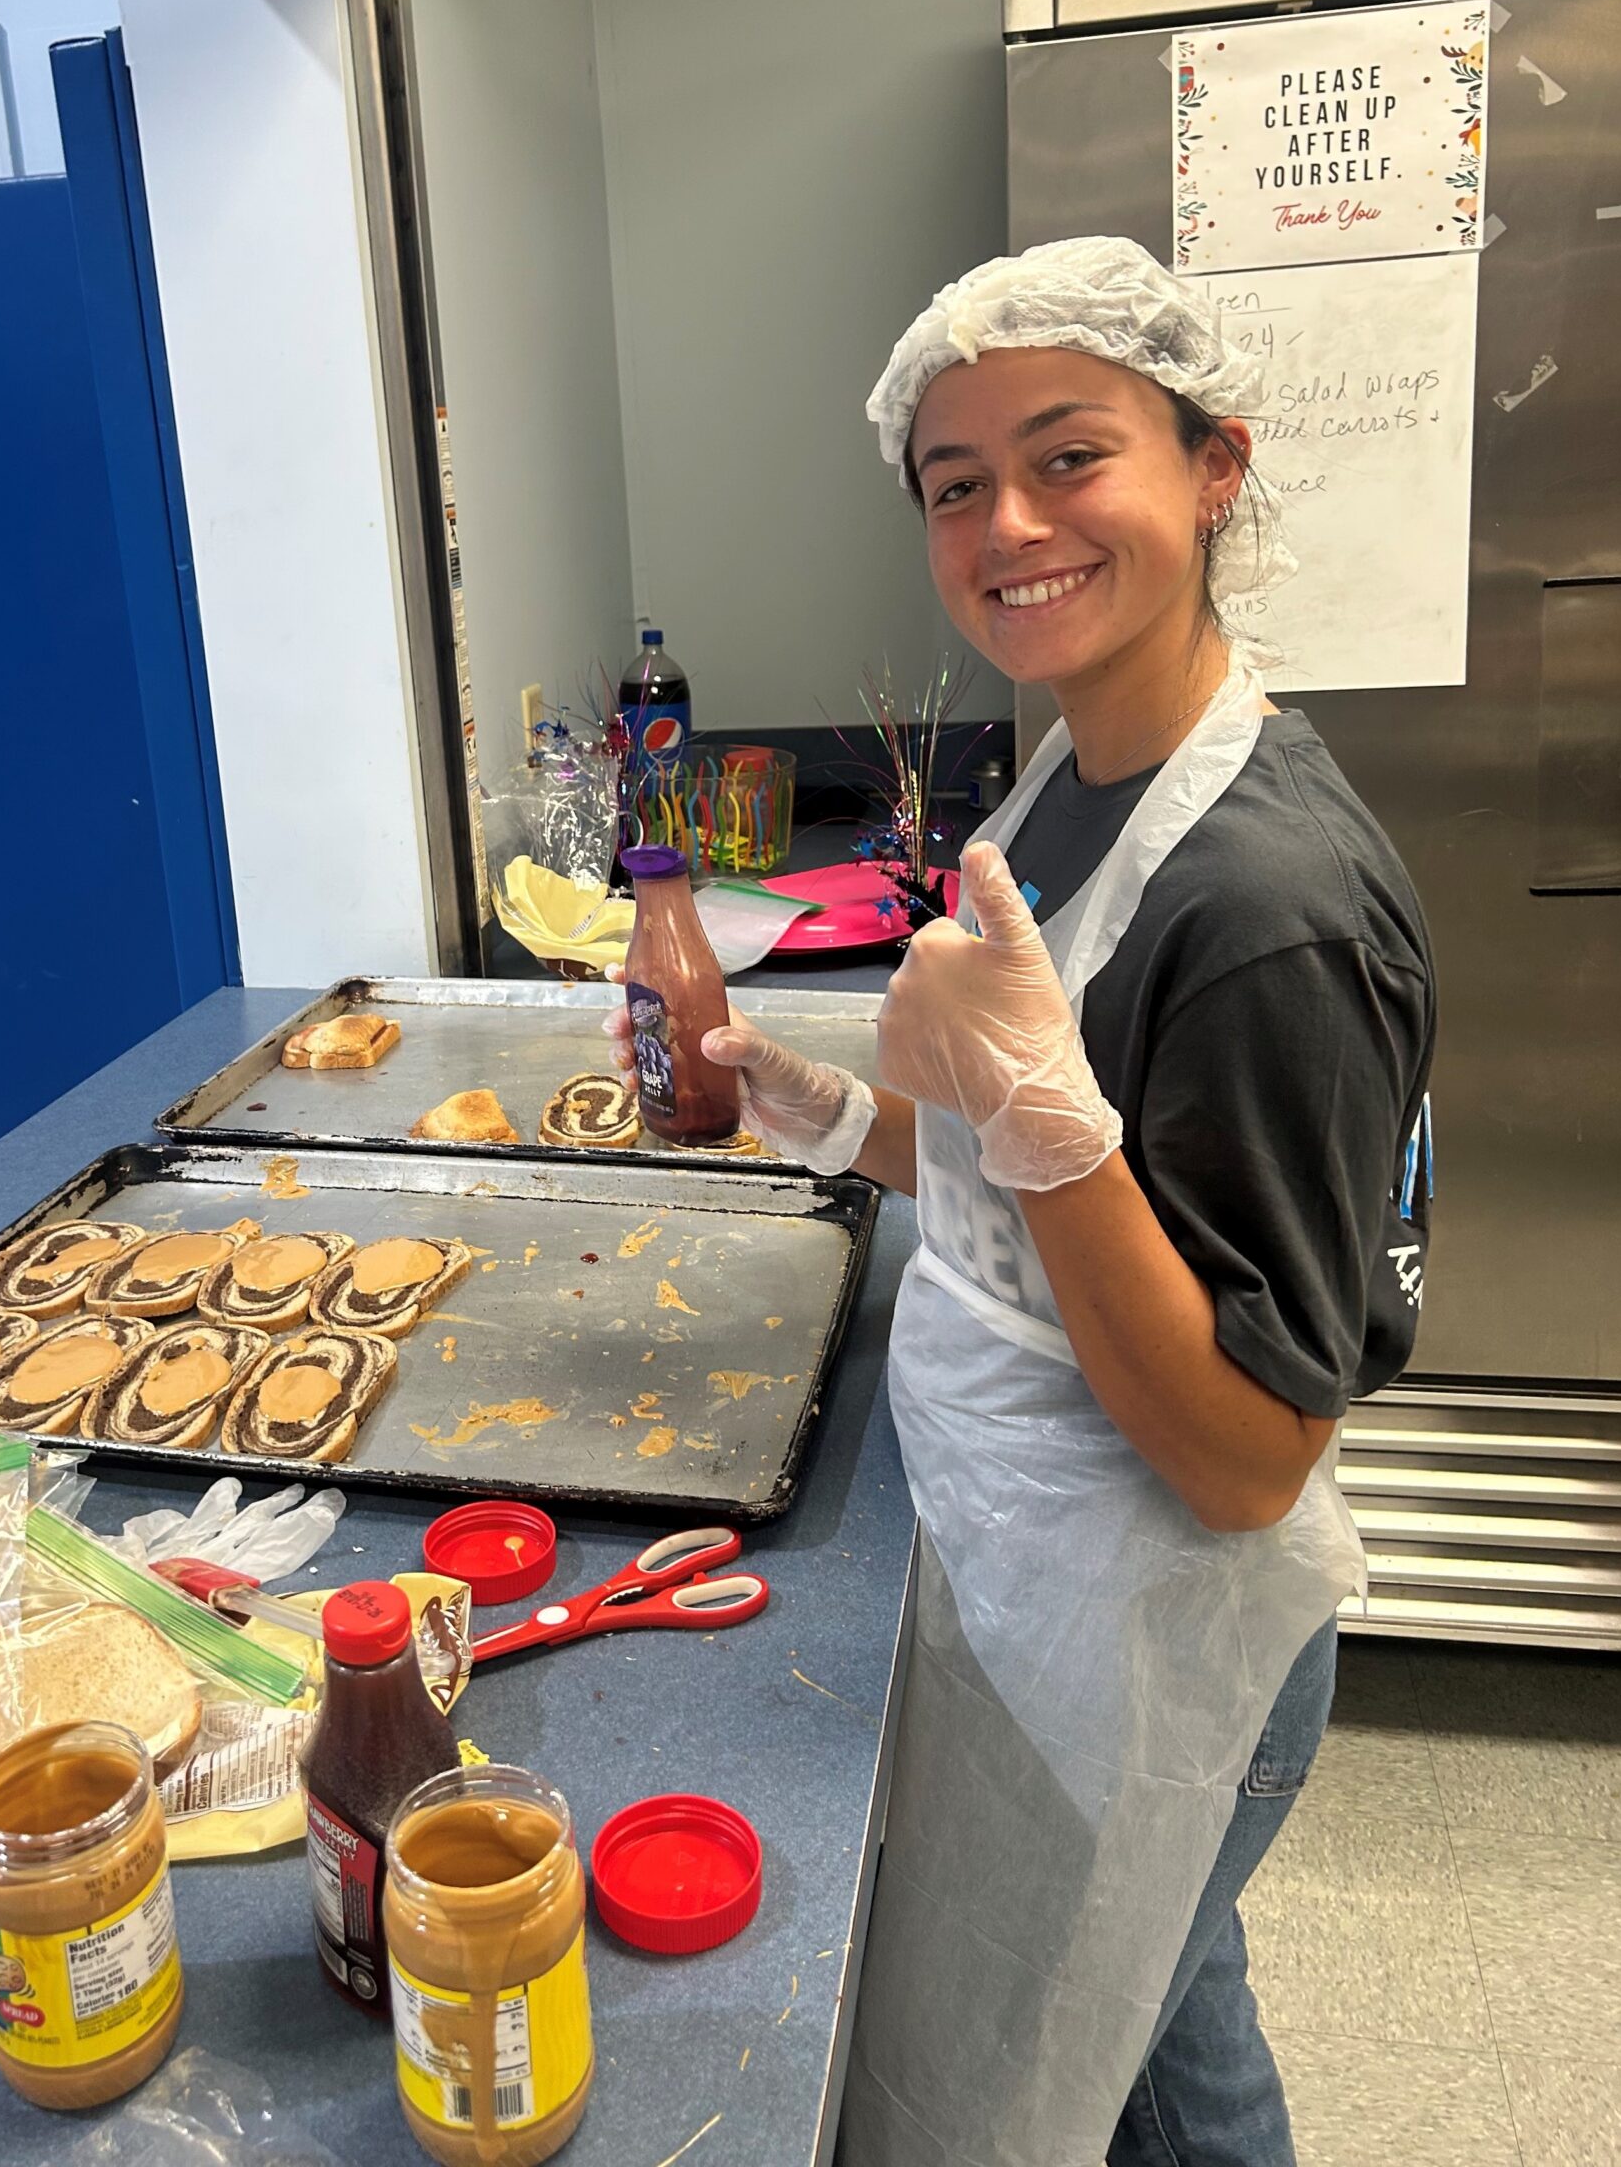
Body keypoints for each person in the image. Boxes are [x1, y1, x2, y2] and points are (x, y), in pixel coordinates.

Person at [606, 237, 1436, 2167]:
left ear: (1213, 463)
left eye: (1072, 457)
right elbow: (1012, 1174)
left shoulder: (1268, 911)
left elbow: (1245, 1456)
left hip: (1166, 1610)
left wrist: (1047, 1115)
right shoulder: (1072, 774)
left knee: (1138, 2045)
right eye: (957, 483)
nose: (1011, 523)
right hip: (1038, 1557)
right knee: (1157, 2003)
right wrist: (818, 1107)